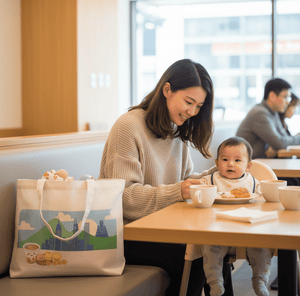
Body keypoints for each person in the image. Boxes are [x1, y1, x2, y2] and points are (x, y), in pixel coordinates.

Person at [99, 59, 234, 296]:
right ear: (167, 90)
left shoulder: (175, 130)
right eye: (189, 102)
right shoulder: (128, 127)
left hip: (162, 229)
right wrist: (179, 190)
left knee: (217, 252)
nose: (192, 112)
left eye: (199, 106)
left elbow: (184, 181)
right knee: (196, 258)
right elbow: (123, 198)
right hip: (123, 234)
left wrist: (220, 173)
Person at [199, 137, 274, 296]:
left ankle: (260, 279)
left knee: (264, 244)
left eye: (237, 160)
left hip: (249, 231)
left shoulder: (254, 183)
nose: (230, 164)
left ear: (248, 166)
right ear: (217, 162)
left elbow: (265, 202)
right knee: (209, 246)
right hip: (219, 230)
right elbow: (197, 194)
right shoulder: (209, 180)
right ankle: (215, 281)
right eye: (225, 159)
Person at [236, 78, 300, 159]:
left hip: (262, 161)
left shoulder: (273, 112)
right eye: (285, 97)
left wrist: (277, 145)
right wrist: (277, 145)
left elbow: (284, 138)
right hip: (249, 165)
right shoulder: (260, 113)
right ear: (272, 96)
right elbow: (279, 142)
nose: (288, 102)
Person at [265, 92, 300, 158]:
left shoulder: (283, 124)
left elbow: (286, 141)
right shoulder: (275, 122)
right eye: (294, 107)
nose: (295, 111)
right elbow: (281, 142)